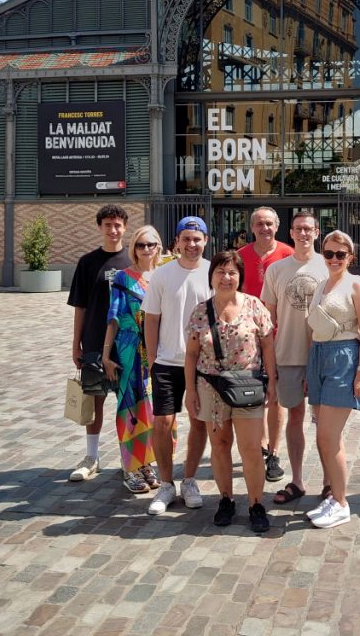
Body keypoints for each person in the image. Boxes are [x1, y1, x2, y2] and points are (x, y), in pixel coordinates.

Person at [184, 251, 278, 533]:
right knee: (220, 446)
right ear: (211, 276)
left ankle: (256, 504)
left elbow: (268, 347)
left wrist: (272, 381)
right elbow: (190, 354)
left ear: (240, 277)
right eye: (220, 272)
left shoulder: (255, 306)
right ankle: (226, 499)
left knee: (250, 449)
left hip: (247, 386)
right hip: (210, 387)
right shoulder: (201, 311)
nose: (226, 278)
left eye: (232, 273)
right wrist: (191, 391)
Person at [141, 216, 212, 515]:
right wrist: (153, 357)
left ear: (205, 241)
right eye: (186, 239)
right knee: (163, 423)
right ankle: (167, 484)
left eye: (197, 239)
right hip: (168, 361)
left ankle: (190, 480)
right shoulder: (161, 274)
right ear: (177, 242)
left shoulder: (213, 272)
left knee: (198, 421)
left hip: (202, 363)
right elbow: (152, 317)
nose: (192, 244)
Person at [303, 231, 360, 528]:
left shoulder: (356, 285)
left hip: (343, 357)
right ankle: (334, 496)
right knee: (323, 436)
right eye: (329, 253)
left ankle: (341, 502)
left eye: (340, 255)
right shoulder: (321, 284)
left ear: (350, 257)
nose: (334, 259)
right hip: (319, 355)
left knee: (328, 437)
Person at [260, 211, 329, 506]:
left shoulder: (329, 266)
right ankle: (298, 480)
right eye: (298, 229)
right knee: (294, 417)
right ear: (291, 233)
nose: (303, 234)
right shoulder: (276, 270)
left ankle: (329, 482)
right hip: (287, 354)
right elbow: (267, 320)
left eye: (308, 229)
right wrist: (268, 363)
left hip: (323, 357)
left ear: (316, 232)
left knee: (325, 422)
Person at [67, 205, 131, 482]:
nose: (113, 230)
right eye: (108, 225)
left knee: (128, 405)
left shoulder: (133, 259)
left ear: (125, 227)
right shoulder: (87, 262)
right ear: (100, 227)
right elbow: (80, 306)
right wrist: (75, 344)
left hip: (128, 345)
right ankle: (91, 458)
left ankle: (129, 459)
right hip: (93, 342)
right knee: (95, 402)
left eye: (117, 225)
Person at [102, 225, 163, 493]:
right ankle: (130, 467)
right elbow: (112, 319)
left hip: (158, 351)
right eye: (141, 245)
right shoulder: (123, 278)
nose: (146, 249)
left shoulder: (163, 276)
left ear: (158, 247)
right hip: (128, 350)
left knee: (154, 409)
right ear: (133, 248)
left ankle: (147, 463)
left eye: (151, 244)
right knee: (130, 408)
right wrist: (106, 355)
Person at [237, 206, 294, 484]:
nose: (265, 228)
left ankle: (274, 451)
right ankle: (259, 447)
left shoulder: (288, 255)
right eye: (259, 223)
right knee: (253, 392)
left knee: (276, 395)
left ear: (277, 226)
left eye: (269, 223)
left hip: (281, 335)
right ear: (252, 227)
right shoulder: (240, 257)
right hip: (247, 339)